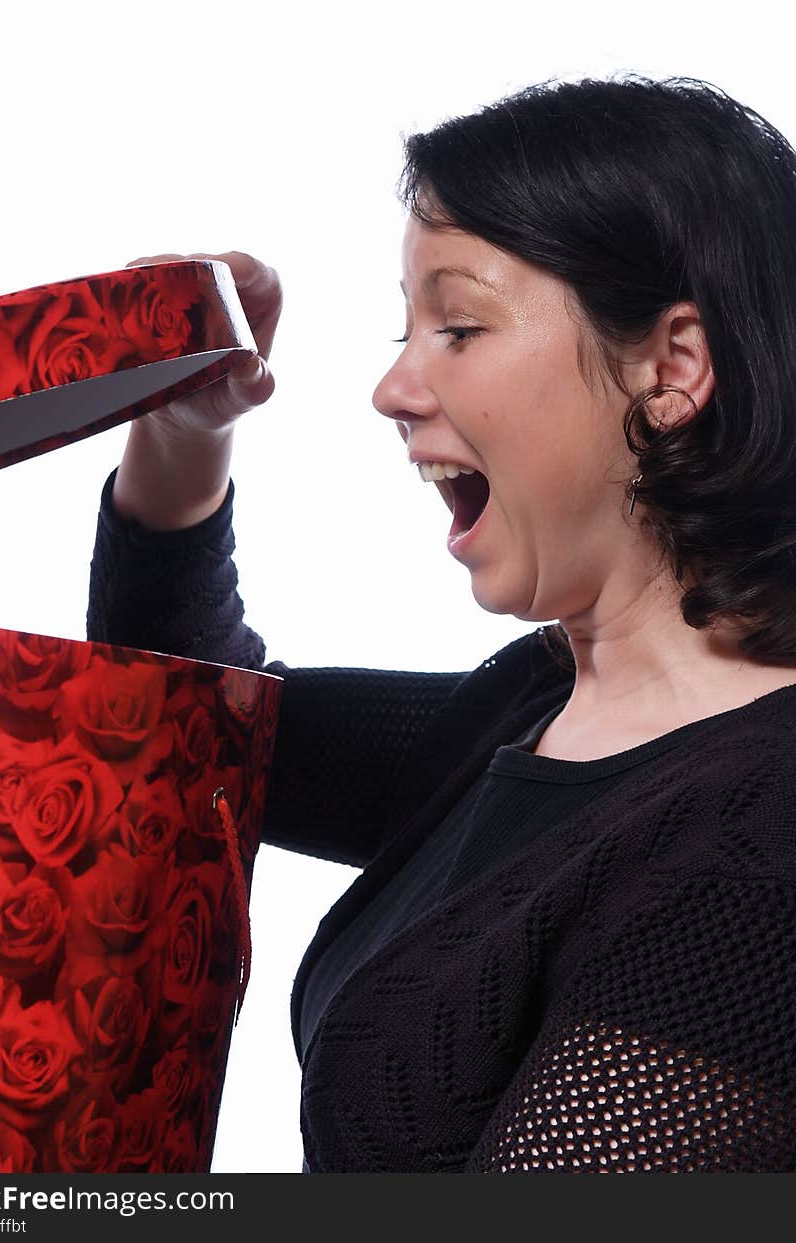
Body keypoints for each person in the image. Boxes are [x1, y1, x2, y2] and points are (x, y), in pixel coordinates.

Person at [87, 74, 796, 1172]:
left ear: (671, 368)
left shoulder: (761, 835)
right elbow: (178, 725)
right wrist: (187, 427)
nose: (391, 387)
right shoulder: (532, 705)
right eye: (404, 326)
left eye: (458, 326)